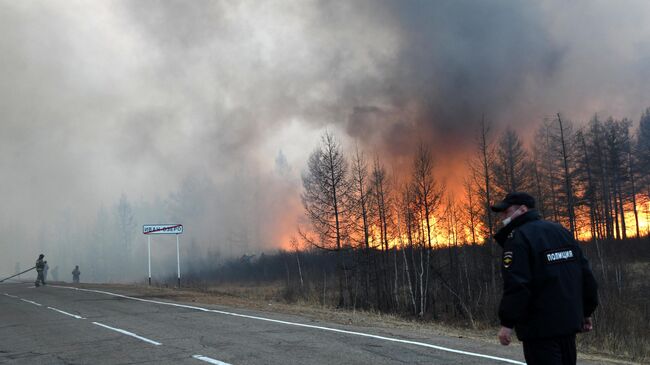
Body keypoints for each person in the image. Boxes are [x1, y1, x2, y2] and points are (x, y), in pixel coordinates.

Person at [491, 192, 599, 365]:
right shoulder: (561, 231)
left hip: (539, 329)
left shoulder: (518, 238)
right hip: (568, 324)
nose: (503, 216)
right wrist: (586, 311)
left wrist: (507, 323)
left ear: (523, 210)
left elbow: (518, 285)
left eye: (506, 211)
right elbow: (585, 275)